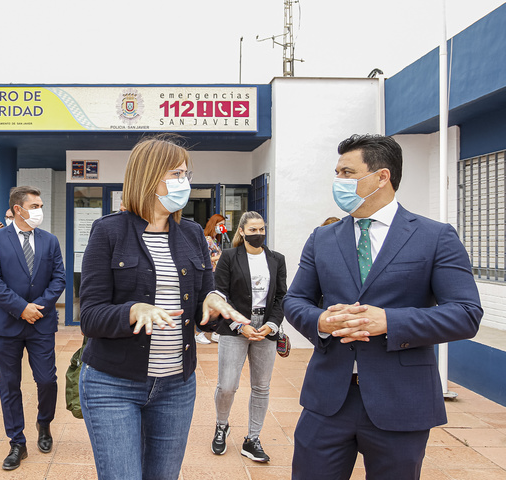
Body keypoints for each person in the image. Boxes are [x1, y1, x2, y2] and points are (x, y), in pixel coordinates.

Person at [282, 134, 483, 480]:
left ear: (382, 176)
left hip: (401, 400)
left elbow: (466, 313)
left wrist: (389, 321)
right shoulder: (322, 239)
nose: (338, 182)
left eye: (347, 172)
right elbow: (294, 300)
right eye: (337, 173)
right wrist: (322, 321)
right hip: (328, 400)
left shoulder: (435, 237)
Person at [78, 134, 249, 480]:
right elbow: (90, 316)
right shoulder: (108, 231)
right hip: (113, 383)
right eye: (176, 174)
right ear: (148, 176)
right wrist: (132, 311)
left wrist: (215, 303)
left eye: (186, 174)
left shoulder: (190, 234)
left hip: (176, 386)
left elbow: (203, 303)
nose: (184, 182)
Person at [0, 186, 66, 471]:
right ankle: (17, 442)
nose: (39, 210)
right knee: (9, 385)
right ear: (18, 209)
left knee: (46, 380)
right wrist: (21, 308)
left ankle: (44, 424)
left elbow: (59, 279)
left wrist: (37, 307)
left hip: (41, 323)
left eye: (40, 204)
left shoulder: (50, 240)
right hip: (6, 325)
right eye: (35, 205)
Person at [210, 211, 286, 463]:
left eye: (261, 229)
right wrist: (238, 324)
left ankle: (253, 438)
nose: (258, 234)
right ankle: (222, 425)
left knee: (261, 387)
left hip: (265, 328)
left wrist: (272, 324)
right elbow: (220, 295)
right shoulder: (229, 257)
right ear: (241, 231)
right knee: (228, 385)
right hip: (236, 327)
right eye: (252, 230)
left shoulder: (276, 259)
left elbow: (280, 297)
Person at [197, 213, 227, 344]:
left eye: (224, 225)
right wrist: (219, 257)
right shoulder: (207, 239)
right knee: (207, 301)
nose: (223, 227)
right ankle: (199, 332)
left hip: (217, 273)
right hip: (210, 273)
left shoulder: (215, 240)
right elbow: (204, 259)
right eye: (220, 225)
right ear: (214, 224)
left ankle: (215, 332)